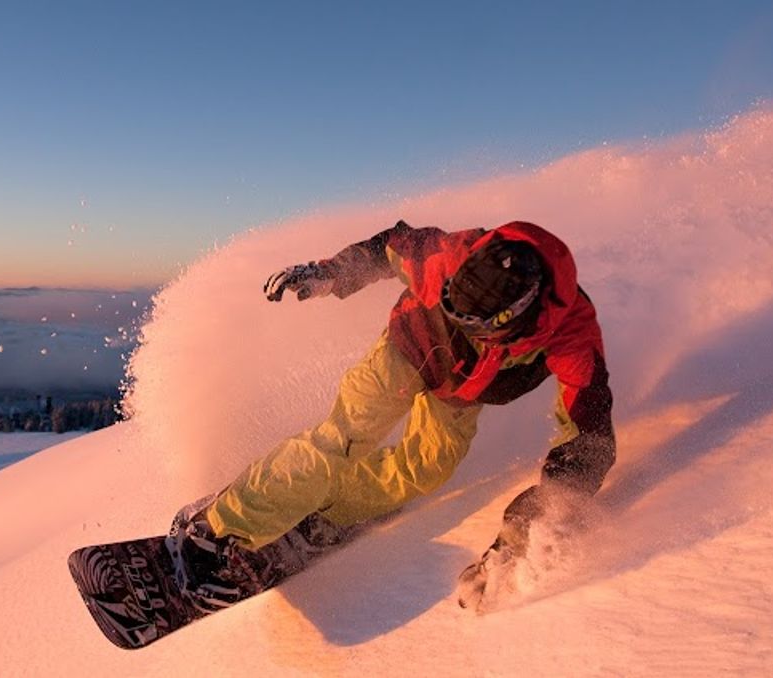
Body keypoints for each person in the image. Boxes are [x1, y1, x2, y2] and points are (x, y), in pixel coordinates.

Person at [166, 220, 616, 610]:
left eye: (473, 327)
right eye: (453, 307)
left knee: (426, 470)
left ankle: (331, 510)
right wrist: (328, 272)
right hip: (406, 351)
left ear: (521, 320)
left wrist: (530, 529)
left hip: (458, 392)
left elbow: (586, 437)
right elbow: (390, 246)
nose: (458, 325)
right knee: (343, 438)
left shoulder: (573, 333)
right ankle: (218, 529)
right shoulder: (453, 257)